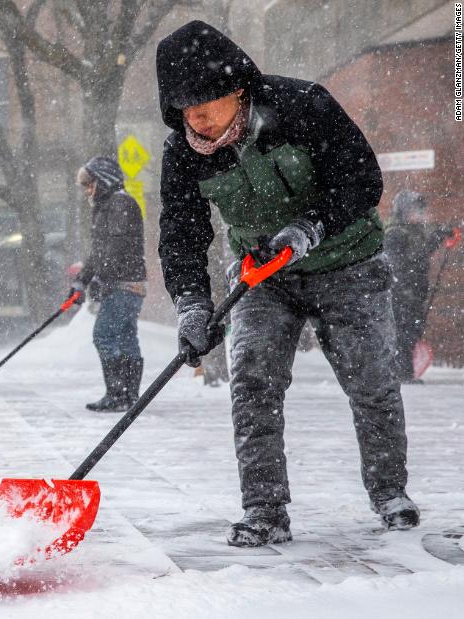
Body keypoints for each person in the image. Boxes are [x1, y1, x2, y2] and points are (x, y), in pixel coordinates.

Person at [156, 20, 417, 547]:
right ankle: (265, 509)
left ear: (238, 89)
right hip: (262, 274)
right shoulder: (183, 152)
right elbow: (182, 235)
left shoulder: (302, 106)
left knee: (370, 382)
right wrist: (191, 305)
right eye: (185, 108)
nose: (197, 119)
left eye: (206, 103)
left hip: (347, 264)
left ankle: (390, 492)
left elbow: (362, 177)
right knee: (251, 383)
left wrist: (312, 224)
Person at [68, 156, 147, 412]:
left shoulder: (119, 203)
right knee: (125, 337)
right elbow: (99, 253)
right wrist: (82, 280)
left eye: (90, 184)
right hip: (124, 281)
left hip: (123, 284)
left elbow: (117, 246)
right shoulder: (107, 206)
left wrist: (103, 277)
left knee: (104, 335)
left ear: (104, 181)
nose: (88, 191)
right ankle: (128, 396)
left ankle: (118, 394)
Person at [383, 190, 457, 383]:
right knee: (403, 333)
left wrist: (439, 236)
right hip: (400, 293)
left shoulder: (413, 231)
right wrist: (435, 239)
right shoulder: (395, 233)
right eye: (415, 210)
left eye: (420, 210)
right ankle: (402, 373)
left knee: (411, 332)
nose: (419, 214)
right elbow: (403, 263)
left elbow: (420, 254)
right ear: (403, 211)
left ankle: (404, 372)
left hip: (413, 293)